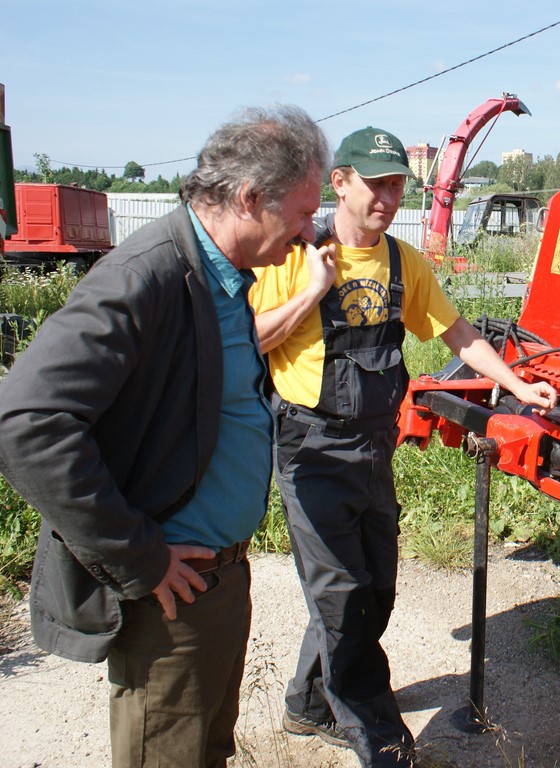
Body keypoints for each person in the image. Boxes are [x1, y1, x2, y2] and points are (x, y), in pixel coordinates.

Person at [0, 105, 328, 767]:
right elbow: (26, 422)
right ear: (249, 198)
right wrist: (138, 555)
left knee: (205, 752)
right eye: (300, 212)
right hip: (169, 593)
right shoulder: (145, 275)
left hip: (216, 580)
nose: (306, 232)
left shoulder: (224, 277)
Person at [249, 126, 557, 767]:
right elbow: (251, 340)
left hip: (372, 447)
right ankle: (386, 746)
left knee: (374, 589)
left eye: (397, 184)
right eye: (376, 182)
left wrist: (516, 385)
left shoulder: (401, 262)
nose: (389, 196)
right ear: (341, 181)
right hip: (309, 449)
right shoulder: (292, 255)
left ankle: (308, 705)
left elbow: (458, 333)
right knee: (343, 597)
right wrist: (312, 290)